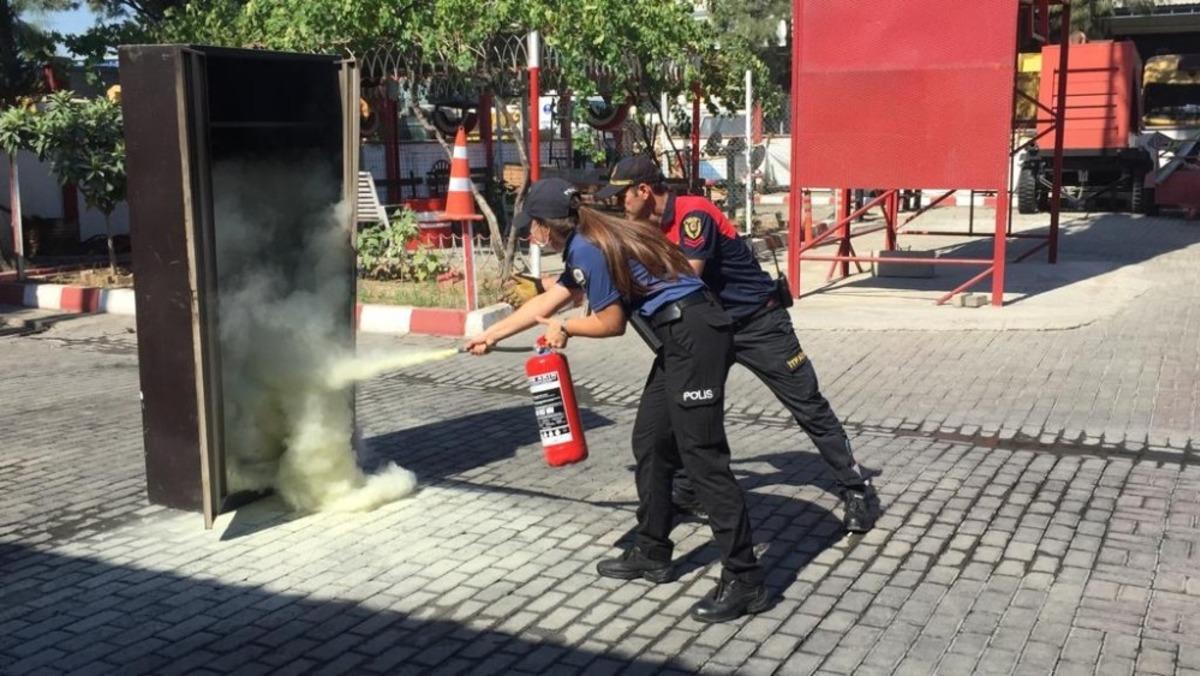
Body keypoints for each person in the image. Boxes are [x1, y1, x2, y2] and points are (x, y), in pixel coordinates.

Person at [465, 178, 769, 623]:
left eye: (532, 226)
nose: (530, 235)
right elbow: (555, 297)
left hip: (695, 339)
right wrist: (491, 334)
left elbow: (611, 323)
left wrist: (566, 328)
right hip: (680, 340)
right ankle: (652, 550)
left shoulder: (590, 247)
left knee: (702, 459)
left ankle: (746, 579)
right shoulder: (591, 239)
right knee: (650, 442)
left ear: (549, 226)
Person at [595, 156, 876, 533]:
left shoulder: (695, 213)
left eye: (622, 196)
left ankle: (855, 488)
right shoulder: (648, 225)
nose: (619, 205)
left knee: (808, 405)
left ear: (644, 191)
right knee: (682, 408)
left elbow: (685, 278)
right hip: (707, 331)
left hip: (759, 323)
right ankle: (685, 490)